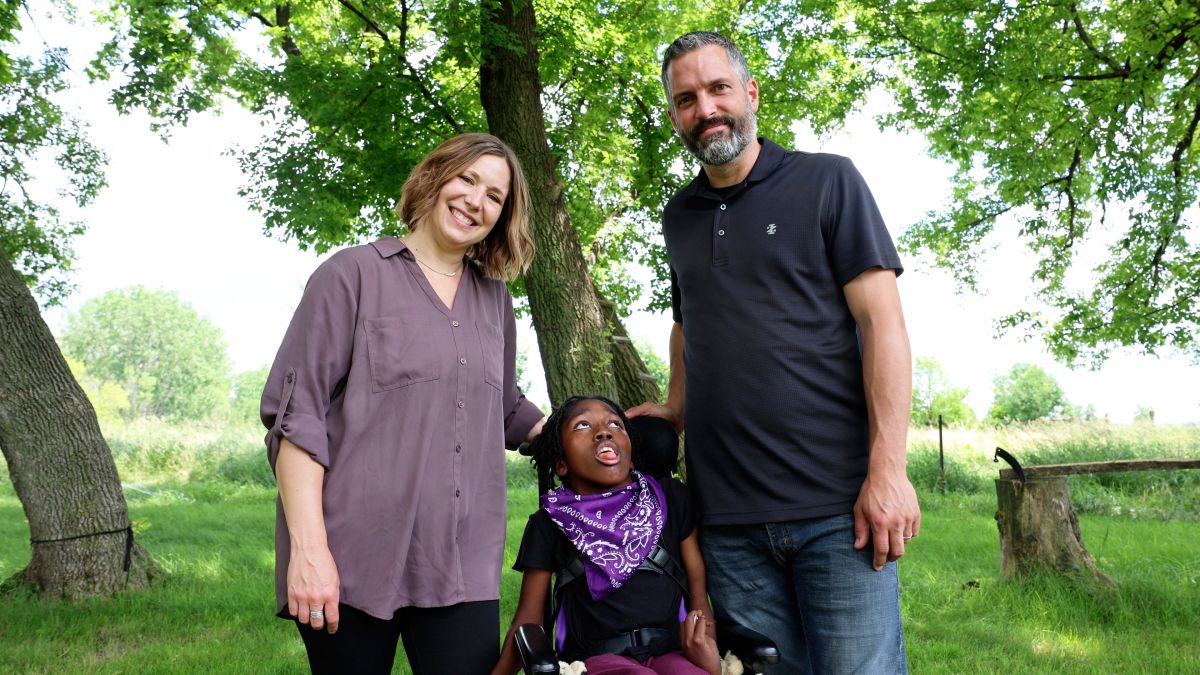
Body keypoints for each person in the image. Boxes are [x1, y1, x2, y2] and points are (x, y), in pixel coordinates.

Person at [628, 31, 920, 673]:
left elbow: (884, 327)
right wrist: (676, 408)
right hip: (727, 520)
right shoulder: (678, 216)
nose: (704, 109)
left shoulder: (828, 180)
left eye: (717, 88)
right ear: (674, 114)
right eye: (685, 98)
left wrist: (888, 470)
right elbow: (687, 322)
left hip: (837, 510)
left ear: (750, 93)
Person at [261, 132, 546, 674]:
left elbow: (503, 406)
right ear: (435, 177)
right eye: (467, 179)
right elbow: (297, 418)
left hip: (462, 562)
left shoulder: (495, 300)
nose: (475, 201)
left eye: (494, 196)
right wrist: (309, 551)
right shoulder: (351, 275)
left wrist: (589, 431)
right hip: (351, 556)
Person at [493, 396, 721, 675]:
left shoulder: (671, 500)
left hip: (671, 650)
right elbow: (528, 620)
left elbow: (698, 597)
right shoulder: (548, 523)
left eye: (615, 424)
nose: (603, 430)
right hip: (594, 660)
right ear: (561, 464)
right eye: (583, 425)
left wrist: (711, 657)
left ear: (631, 453)